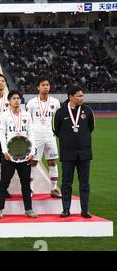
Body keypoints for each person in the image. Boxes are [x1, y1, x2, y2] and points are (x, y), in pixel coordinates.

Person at [0, 90, 38, 219]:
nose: (16, 100)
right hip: (9, 155)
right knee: (4, 182)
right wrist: (4, 152)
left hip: (24, 154)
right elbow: (2, 135)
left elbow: (31, 133)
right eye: (14, 98)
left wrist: (32, 151)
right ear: (9, 101)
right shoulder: (4, 116)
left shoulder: (26, 115)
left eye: (18, 98)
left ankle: (28, 209)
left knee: (25, 183)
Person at [53, 85, 95, 218]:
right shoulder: (60, 112)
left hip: (84, 153)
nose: (81, 98)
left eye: (82, 96)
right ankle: (66, 209)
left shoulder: (88, 111)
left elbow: (91, 127)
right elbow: (56, 130)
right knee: (66, 183)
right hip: (68, 153)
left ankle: (85, 210)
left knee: (84, 183)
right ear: (71, 97)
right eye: (79, 96)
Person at [26, 76, 61, 198]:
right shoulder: (31, 103)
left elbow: (58, 120)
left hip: (50, 136)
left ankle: (54, 188)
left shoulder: (55, 102)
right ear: (38, 87)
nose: (46, 87)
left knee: (52, 162)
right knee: (33, 162)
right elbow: (27, 120)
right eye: (43, 85)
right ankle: (29, 189)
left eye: (47, 85)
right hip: (36, 137)